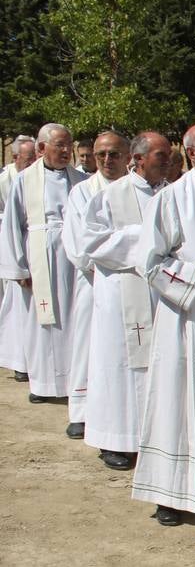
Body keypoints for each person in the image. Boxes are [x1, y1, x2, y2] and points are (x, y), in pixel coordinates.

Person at [131, 121, 195, 527]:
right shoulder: (171, 198)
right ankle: (171, 493)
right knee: (180, 402)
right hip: (187, 317)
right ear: (191, 152)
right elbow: (150, 261)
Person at [77, 132, 172, 470]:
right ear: (139, 158)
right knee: (117, 367)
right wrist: (147, 238)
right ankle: (113, 438)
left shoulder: (172, 194)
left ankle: (153, 439)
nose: (168, 161)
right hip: (121, 293)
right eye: (161, 155)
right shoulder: (110, 196)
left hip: (161, 293)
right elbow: (93, 242)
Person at [0, 123, 87, 403]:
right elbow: (13, 225)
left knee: (76, 320)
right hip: (41, 257)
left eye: (68, 145)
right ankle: (43, 384)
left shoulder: (81, 180)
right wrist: (18, 268)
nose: (66, 151)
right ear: (41, 148)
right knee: (42, 323)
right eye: (59, 145)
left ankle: (76, 382)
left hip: (73, 257)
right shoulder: (24, 180)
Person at [61, 131, 131, 440]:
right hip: (94, 280)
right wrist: (104, 264)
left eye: (114, 154)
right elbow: (78, 244)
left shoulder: (135, 189)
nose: (106, 160)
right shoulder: (82, 191)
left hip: (132, 283)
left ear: (128, 156)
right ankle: (81, 409)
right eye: (101, 154)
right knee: (88, 344)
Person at [0, 134, 37, 381]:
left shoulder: (36, 178)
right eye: (28, 157)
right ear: (15, 158)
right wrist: (16, 266)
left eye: (36, 156)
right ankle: (19, 360)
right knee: (18, 310)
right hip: (14, 246)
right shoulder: (7, 179)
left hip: (38, 251)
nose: (34, 161)